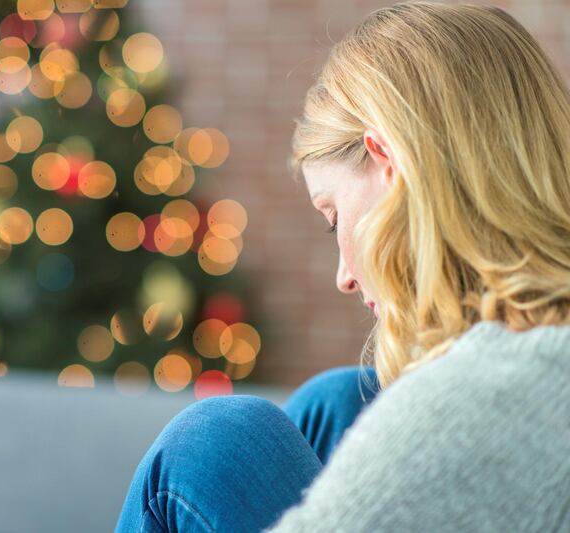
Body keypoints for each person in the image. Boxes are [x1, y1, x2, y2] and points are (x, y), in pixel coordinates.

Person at [115, 1, 570, 531]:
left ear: (389, 166)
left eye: (334, 219)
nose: (345, 276)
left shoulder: (482, 395)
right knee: (340, 402)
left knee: (217, 439)